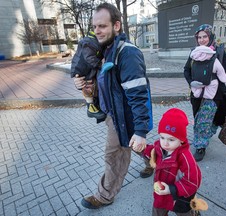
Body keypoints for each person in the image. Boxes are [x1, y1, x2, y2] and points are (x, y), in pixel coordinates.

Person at [73, 2, 153, 209]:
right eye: (95, 26)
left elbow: (138, 94)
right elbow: (107, 84)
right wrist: (82, 84)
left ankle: (104, 195)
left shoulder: (127, 54)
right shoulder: (106, 51)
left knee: (113, 155)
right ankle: (152, 158)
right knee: (131, 145)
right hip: (112, 114)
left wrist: (141, 130)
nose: (97, 31)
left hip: (124, 117)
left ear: (116, 26)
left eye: (102, 26)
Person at [184, 24, 226, 162]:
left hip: (215, 95)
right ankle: (204, 136)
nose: (202, 40)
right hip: (197, 95)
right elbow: (186, 70)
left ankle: (200, 146)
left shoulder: (219, 52)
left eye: (205, 36)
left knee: (205, 120)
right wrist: (191, 82)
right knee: (200, 120)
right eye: (199, 37)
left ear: (210, 37)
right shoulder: (194, 52)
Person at [141, 108, 202, 216]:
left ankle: (194, 212)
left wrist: (172, 189)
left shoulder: (185, 158)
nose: (165, 143)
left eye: (171, 140)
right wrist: (142, 148)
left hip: (179, 197)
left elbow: (193, 181)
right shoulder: (160, 147)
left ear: (181, 140)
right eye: (162, 137)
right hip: (161, 194)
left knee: (185, 213)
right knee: (158, 212)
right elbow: (152, 151)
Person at [71, 30, 106, 120]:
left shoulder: (94, 43)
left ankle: (92, 107)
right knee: (88, 84)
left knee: (89, 83)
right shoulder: (90, 44)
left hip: (84, 70)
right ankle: (91, 107)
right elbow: (89, 59)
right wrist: (100, 64)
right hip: (82, 70)